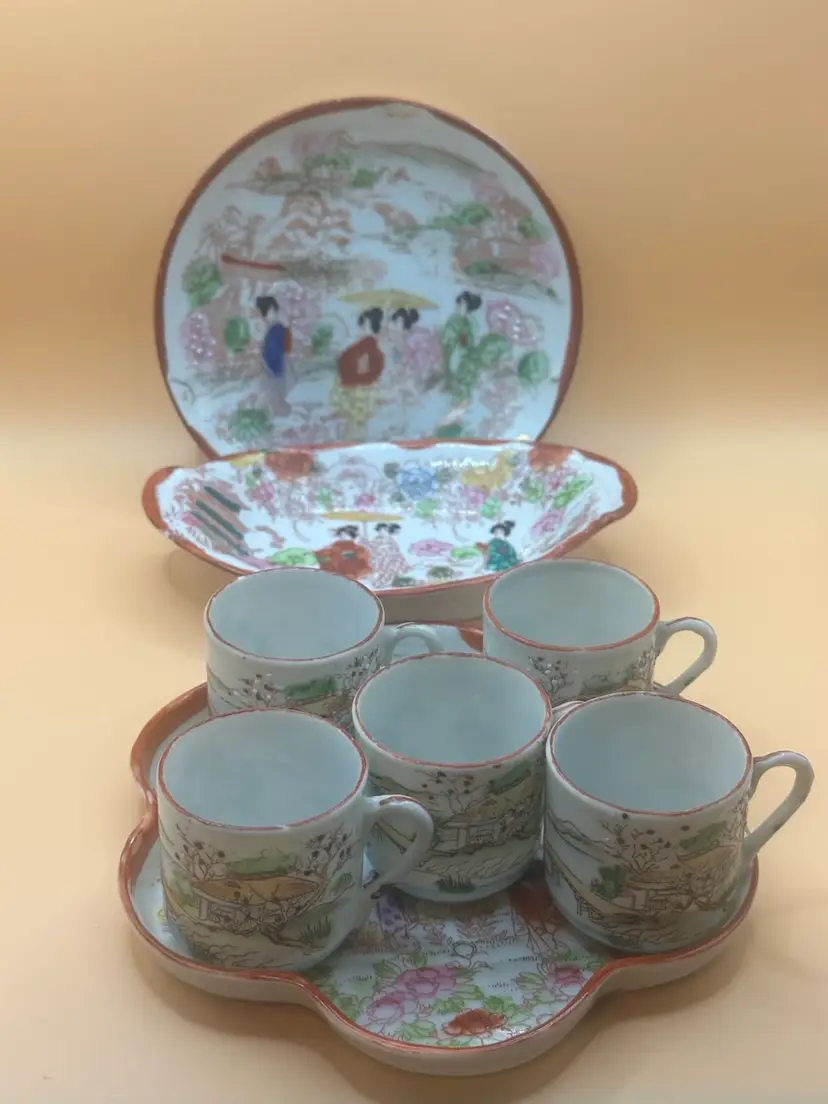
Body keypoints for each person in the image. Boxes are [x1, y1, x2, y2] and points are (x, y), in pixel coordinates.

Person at [332, 308, 385, 434]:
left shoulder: (366, 347)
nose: (361, 328)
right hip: (360, 385)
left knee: (357, 420)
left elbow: (363, 368)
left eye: (364, 325)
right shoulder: (364, 346)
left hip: (358, 387)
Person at [256, 295, 293, 414]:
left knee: (277, 388)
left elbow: (280, 348)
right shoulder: (269, 329)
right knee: (272, 390)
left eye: (273, 311)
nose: (273, 314)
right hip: (272, 365)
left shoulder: (278, 328)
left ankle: (279, 407)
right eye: (269, 312)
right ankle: (277, 408)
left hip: (277, 364)